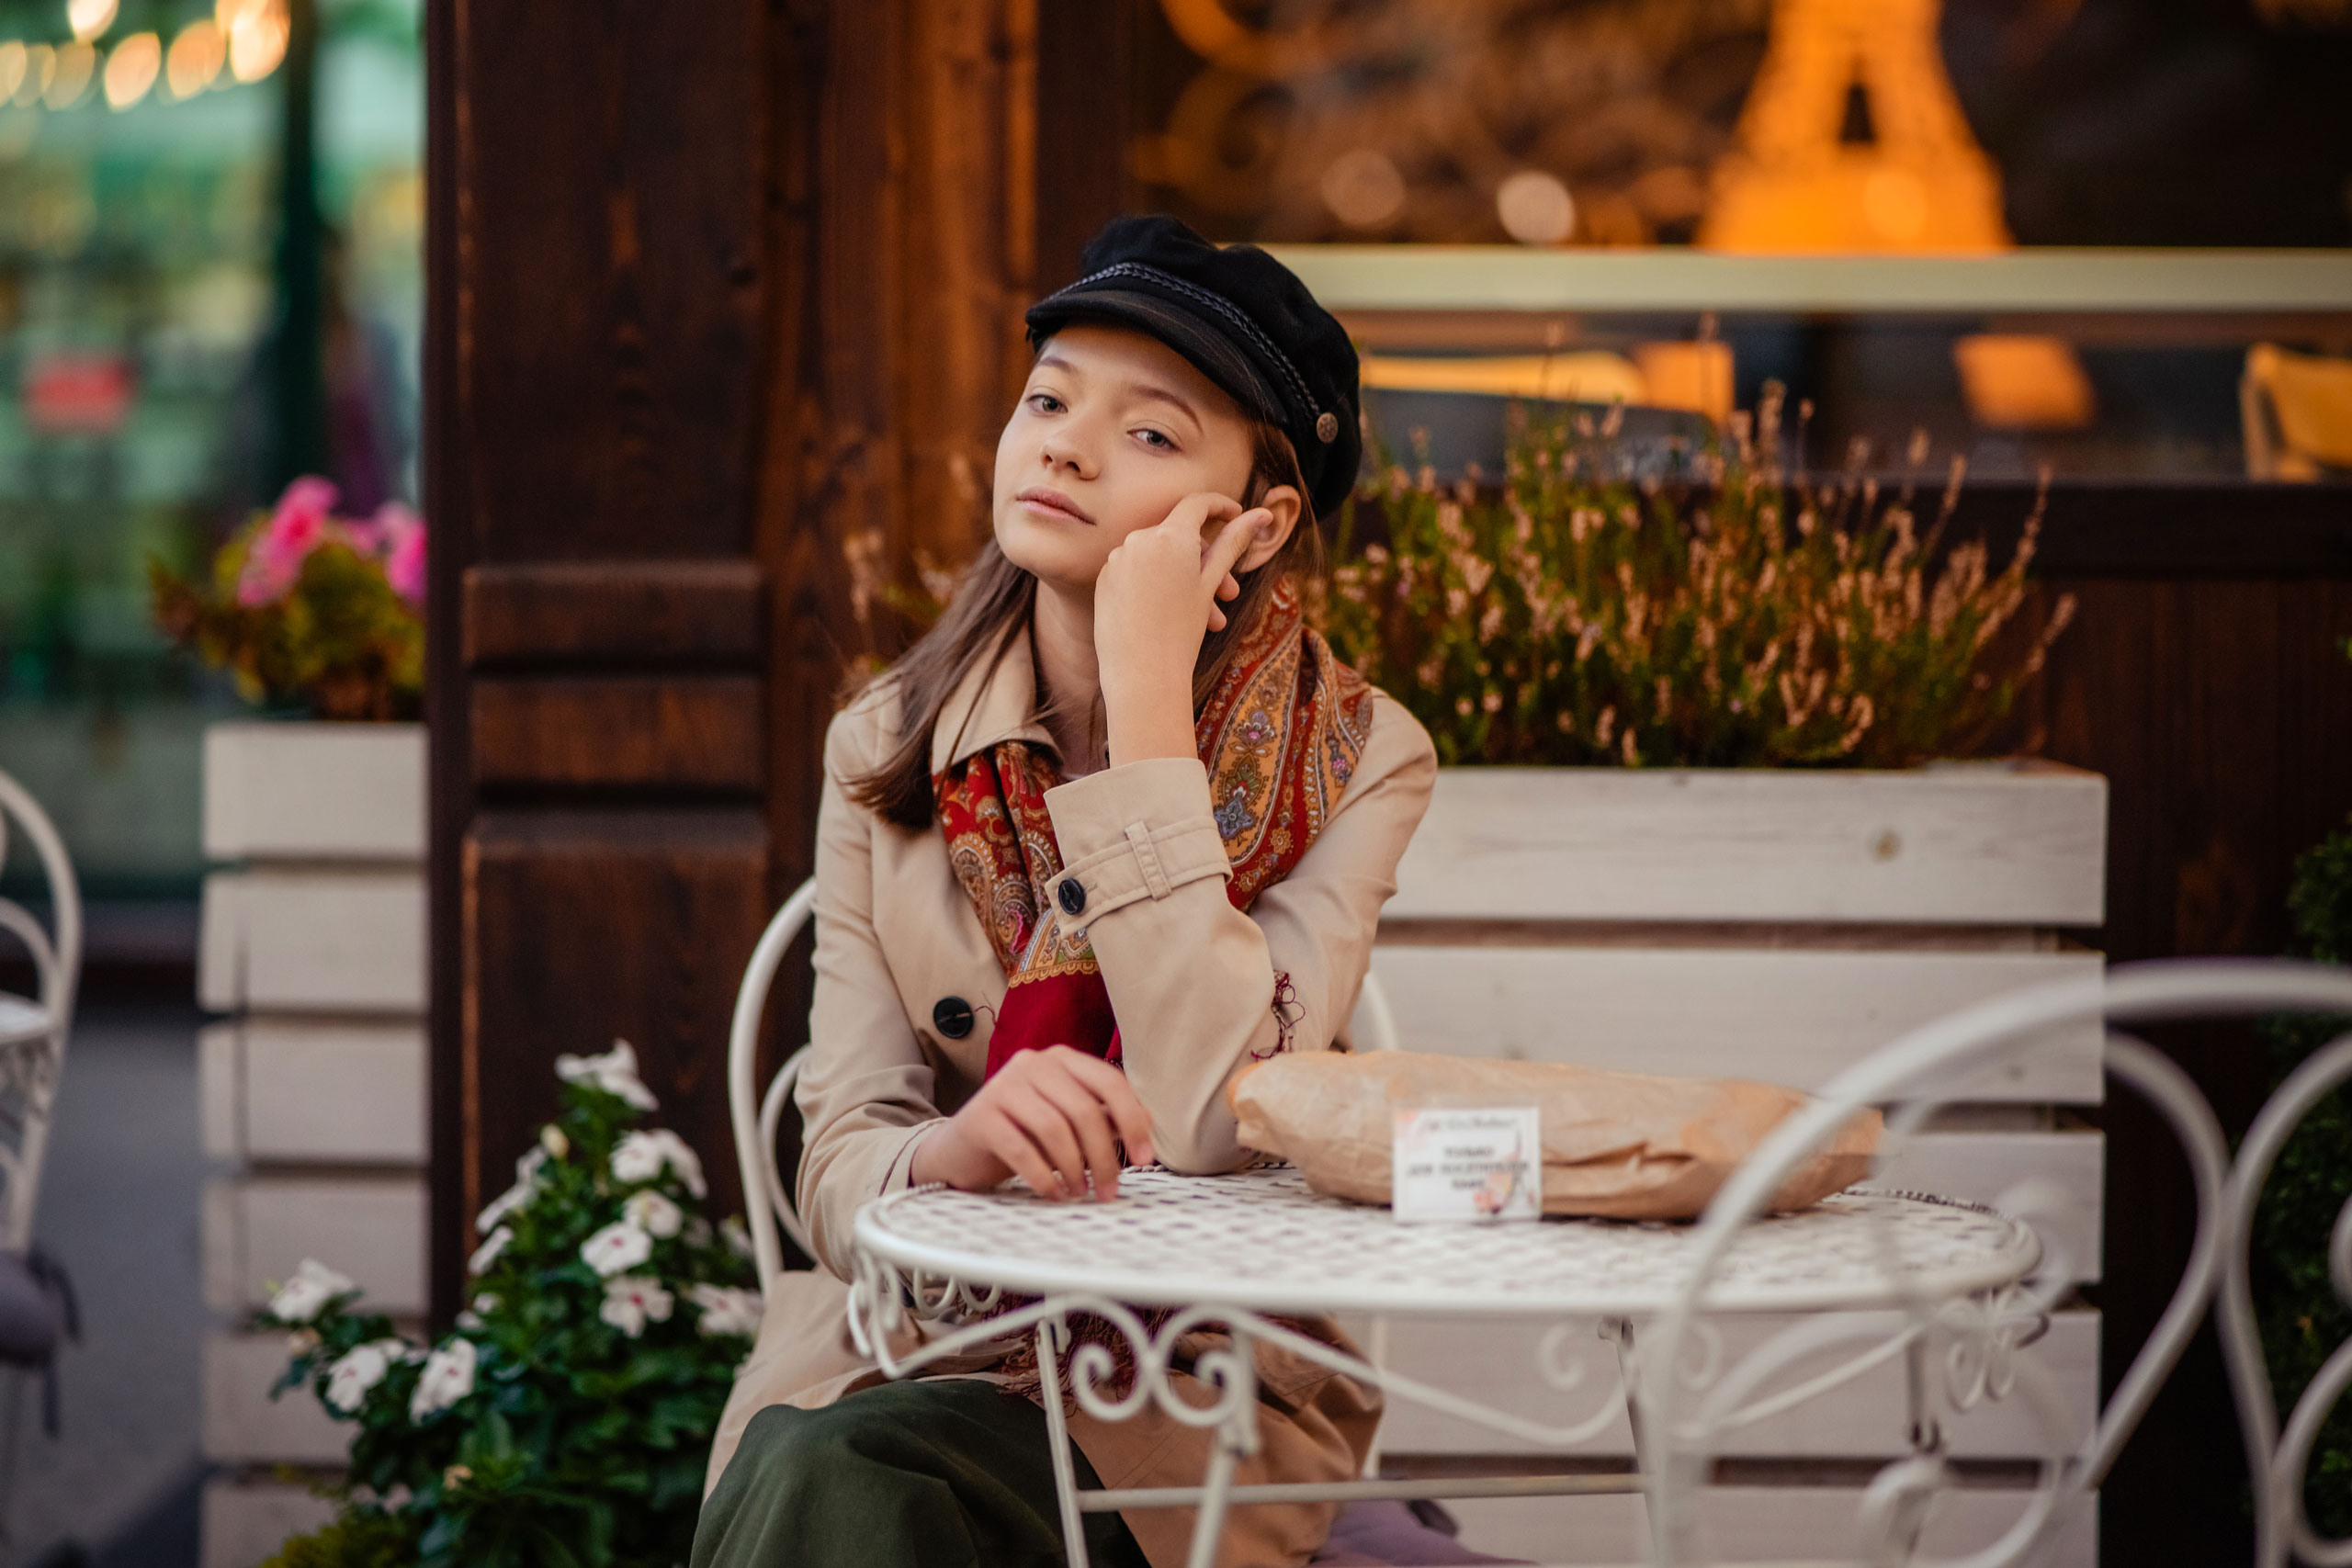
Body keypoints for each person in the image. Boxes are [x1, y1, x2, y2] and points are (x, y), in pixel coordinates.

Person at [692, 216, 1438, 1568]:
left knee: (850, 1484)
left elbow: (1212, 1117)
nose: (1067, 448)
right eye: (1047, 401)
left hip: (1187, 1389)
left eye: (1149, 432)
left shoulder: (1358, 754)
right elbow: (840, 1153)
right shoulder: (886, 746)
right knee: (842, 1465)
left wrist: (1148, 704)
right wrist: (953, 1153)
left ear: (1258, 522)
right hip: (909, 1343)